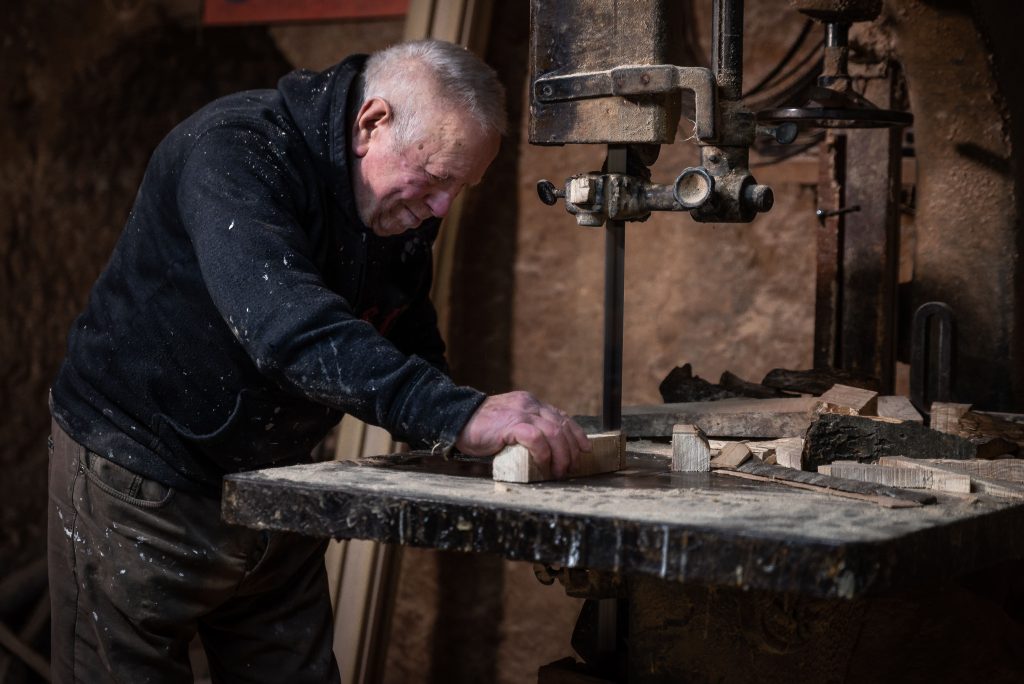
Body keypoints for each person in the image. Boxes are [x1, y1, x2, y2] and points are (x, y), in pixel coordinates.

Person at [47, 39, 588, 683]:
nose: (442, 208)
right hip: (140, 478)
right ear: (371, 124)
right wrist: (460, 413)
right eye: (438, 178)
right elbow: (288, 328)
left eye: (460, 188)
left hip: (274, 489)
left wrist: (457, 432)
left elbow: (405, 334)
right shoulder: (236, 151)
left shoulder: (401, 210)